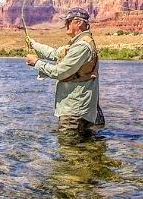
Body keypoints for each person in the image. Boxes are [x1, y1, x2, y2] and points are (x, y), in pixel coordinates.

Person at [25, 7, 105, 139]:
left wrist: (36, 63)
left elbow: (60, 72)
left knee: (68, 152)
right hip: (78, 109)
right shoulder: (77, 44)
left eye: (68, 21)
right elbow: (54, 53)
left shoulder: (81, 46)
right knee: (80, 151)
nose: (65, 25)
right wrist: (34, 44)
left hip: (74, 111)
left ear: (79, 23)